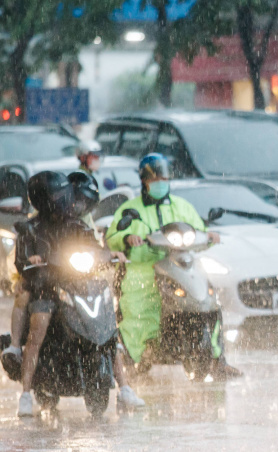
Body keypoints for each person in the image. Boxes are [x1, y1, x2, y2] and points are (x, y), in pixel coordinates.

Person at [4, 171, 143, 416]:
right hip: (47, 288)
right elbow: (21, 262)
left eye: (63, 193)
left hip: (80, 286)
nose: (63, 199)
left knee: (108, 330)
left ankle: (125, 389)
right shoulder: (31, 228)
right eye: (57, 195)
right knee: (37, 331)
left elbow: (94, 248)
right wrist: (32, 260)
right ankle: (25, 394)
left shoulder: (77, 224)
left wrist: (110, 255)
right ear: (44, 199)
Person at [105, 153, 241, 380]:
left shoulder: (182, 206)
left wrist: (208, 236)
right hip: (143, 269)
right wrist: (128, 238)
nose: (160, 184)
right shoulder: (131, 209)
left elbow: (197, 231)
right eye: (154, 180)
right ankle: (134, 359)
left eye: (163, 179)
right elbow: (114, 236)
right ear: (144, 181)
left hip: (179, 267)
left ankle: (218, 360)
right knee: (138, 310)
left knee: (209, 303)